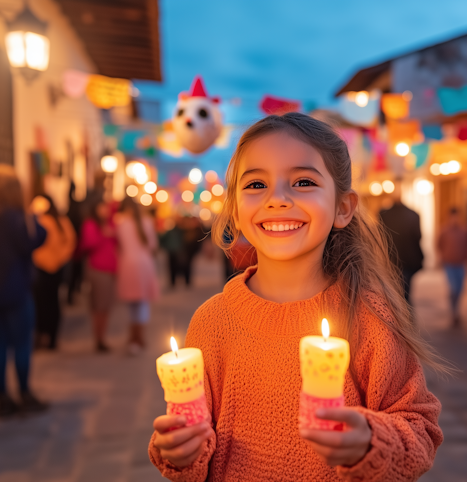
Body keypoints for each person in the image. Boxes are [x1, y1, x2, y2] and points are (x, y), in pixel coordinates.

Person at [149, 113, 444, 481]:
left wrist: (371, 441)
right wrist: (180, 452)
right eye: (256, 184)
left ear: (342, 207)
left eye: (303, 181)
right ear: (237, 210)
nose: (277, 199)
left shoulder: (369, 315)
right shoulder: (212, 322)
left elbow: (420, 429)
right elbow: (194, 445)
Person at [0, 165, 48, 417]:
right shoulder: (18, 219)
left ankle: (2, 399)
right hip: (16, 290)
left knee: (1, 341)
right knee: (21, 343)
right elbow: (37, 238)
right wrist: (35, 216)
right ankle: (25, 393)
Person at [32, 194, 76, 350]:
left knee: (53, 303)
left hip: (55, 268)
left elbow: (70, 241)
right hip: (39, 268)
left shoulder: (60, 221)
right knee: (39, 303)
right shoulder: (34, 221)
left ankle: (52, 337)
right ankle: (40, 335)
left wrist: (59, 258)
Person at [115, 196, 159, 355]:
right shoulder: (146, 222)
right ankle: (139, 337)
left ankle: (133, 337)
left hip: (127, 264)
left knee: (132, 304)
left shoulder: (120, 224)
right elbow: (153, 245)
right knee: (142, 303)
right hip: (144, 264)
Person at [79, 195, 118, 352]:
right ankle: (99, 339)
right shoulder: (90, 224)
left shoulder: (109, 222)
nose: (105, 210)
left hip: (110, 269)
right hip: (97, 269)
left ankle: (102, 336)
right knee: (99, 305)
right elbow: (87, 244)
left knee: (106, 305)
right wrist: (103, 234)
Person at [379, 189, 424, 303]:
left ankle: (401, 315)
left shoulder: (384, 215)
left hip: (391, 260)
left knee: (396, 293)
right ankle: (405, 314)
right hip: (408, 260)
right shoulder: (413, 215)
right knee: (406, 292)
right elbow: (418, 236)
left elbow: (381, 237)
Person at [437, 207, 467, 326]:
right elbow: (439, 245)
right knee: (454, 288)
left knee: (460, 289)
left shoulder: (464, 231)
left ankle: (456, 310)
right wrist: (441, 258)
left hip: (461, 264)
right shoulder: (444, 231)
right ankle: (454, 312)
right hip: (449, 264)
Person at [66, 181, 86, 305]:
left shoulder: (72, 207)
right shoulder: (77, 207)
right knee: (75, 270)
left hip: (75, 244)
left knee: (73, 270)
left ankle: (72, 292)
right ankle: (73, 292)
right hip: (76, 243)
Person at [160, 216, 188, 288]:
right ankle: (183, 281)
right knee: (178, 266)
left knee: (173, 267)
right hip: (177, 250)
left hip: (173, 251)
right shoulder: (181, 232)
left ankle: (173, 282)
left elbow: (162, 239)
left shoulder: (176, 231)